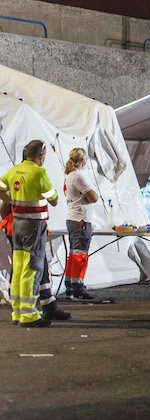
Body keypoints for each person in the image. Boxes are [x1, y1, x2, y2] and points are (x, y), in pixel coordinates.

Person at [0, 140, 71, 327]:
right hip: (34, 226)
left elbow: (0, 186)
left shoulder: (14, 171)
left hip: (16, 225)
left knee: (19, 268)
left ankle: (17, 311)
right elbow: (53, 199)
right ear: (42, 155)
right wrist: (52, 193)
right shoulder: (40, 172)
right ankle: (29, 315)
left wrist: (10, 198)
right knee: (33, 269)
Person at [63, 148, 99, 301]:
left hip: (73, 219)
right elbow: (94, 197)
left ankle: (71, 285)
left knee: (73, 254)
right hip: (81, 221)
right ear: (82, 159)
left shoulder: (69, 176)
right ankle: (78, 288)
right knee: (80, 255)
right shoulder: (78, 177)